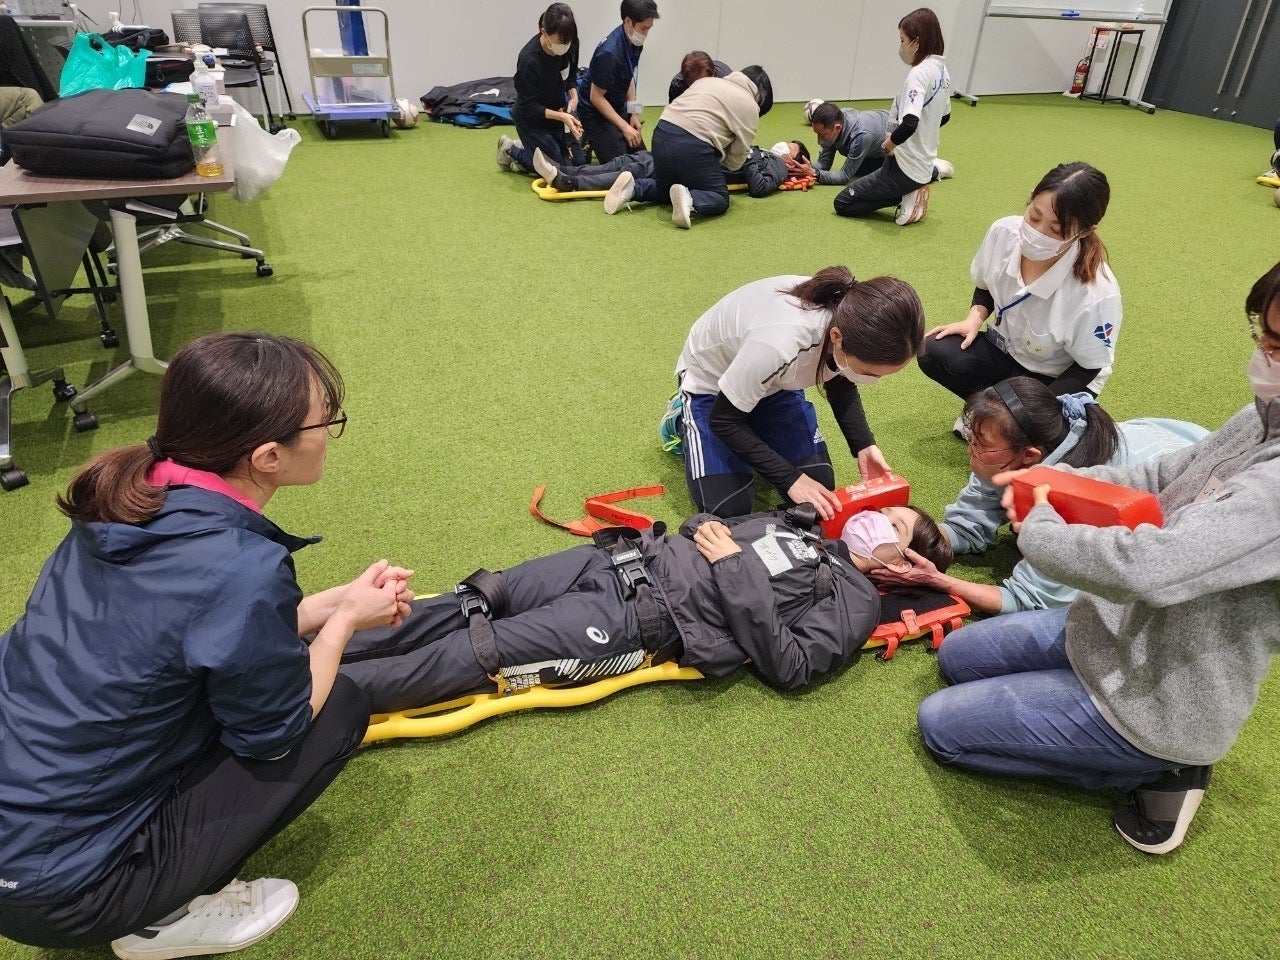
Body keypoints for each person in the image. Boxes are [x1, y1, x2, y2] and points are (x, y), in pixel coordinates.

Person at [0, 333, 415, 957]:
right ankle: (157, 922)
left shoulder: (119, 495)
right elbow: (275, 731)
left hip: (22, 831)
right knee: (339, 708)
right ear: (268, 456)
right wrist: (343, 624)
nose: (330, 432)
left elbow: (179, 637)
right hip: (65, 897)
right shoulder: (240, 567)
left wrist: (326, 606)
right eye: (325, 420)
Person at [916, 259, 1280, 855]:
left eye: (1279, 345)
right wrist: (1055, 483)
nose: (1264, 353)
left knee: (941, 727)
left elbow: (1150, 568)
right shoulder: (1262, 415)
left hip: (1163, 700)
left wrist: (1039, 524)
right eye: (1263, 334)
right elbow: (1161, 475)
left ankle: (1164, 770)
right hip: (1111, 627)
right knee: (958, 656)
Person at [338, 503, 953, 712]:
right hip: (618, 558)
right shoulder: (804, 528)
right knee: (476, 599)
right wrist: (708, 528)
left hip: (641, 619)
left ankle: (314, 697)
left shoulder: (854, 600)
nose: (875, 520)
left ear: (905, 565)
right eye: (884, 512)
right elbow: (705, 524)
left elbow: (790, 666)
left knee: (482, 648)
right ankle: (313, 650)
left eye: (892, 525)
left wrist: (731, 565)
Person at [872, 376, 1206, 614]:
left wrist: (938, 581)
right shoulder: (1008, 452)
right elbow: (966, 527)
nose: (970, 449)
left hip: (1194, 481)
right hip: (1168, 435)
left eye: (980, 444)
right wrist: (911, 536)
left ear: (1030, 456)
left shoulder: (1081, 505)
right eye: (971, 437)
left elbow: (1027, 600)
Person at [672, 267, 925, 518]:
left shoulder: (851, 319)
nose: (873, 380)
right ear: (837, 337)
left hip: (775, 384)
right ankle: (681, 418)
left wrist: (864, 444)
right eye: (869, 373)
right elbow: (724, 421)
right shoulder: (778, 344)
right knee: (729, 508)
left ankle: (753, 416)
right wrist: (790, 478)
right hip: (713, 389)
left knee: (818, 488)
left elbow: (839, 376)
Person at [919, 162, 1120, 436]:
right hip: (1007, 350)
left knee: (1030, 432)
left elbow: (1089, 367)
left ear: (1084, 231)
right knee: (933, 350)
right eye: (1034, 217)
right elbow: (986, 285)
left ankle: (1011, 419)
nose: (1038, 233)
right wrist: (973, 319)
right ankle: (987, 411)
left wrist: (1035, 410)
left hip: (1056, 377)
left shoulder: (1096, 293)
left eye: (1056, 230)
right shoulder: (1003, 232)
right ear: (1031, 196)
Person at [601, 65, 773, 228]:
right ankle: (690, 198)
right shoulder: (750, 106)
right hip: (694, 146)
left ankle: (633, 188)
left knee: (666, 190)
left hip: (661, 134)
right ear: (761, 96)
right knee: (719, 198)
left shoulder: (709, 81)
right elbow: (735, 161)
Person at [832, 8, 951, 224]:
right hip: (921, 162)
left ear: (917, 41)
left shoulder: (919, 74)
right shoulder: (942, 71)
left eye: (902, 40)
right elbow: (944, 117)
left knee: (842, 203)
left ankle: (907, 193)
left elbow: (910, 123)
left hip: (903, 166)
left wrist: (889, 145)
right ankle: (918, 183)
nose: (901, 46)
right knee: (867, 171)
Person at [534, 138, 806, 197]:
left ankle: (569, 182)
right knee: (625, 161)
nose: (784, 145)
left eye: (791, 147)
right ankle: (566, 171)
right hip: (691, 153)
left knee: (633, 171)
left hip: (695, 168)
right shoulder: (764, 151)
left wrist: (750, 156)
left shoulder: (778, 167)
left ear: (794, 161)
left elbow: (759, 188)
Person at [498, 3, 582, 175]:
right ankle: (510, 149)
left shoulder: (571, 43)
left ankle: (533, 150)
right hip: (531, 118)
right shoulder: (529, 60)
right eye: (560, 42)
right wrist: (562, 116)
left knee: (578, 162)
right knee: (556, 168)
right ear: (544, 32)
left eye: (568, 42)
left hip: (559, 111)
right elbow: (529, 107)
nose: (565, 46)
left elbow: (571, 77)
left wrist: (573, 97)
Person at [576, 0, 659, 163]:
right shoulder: (609, 53)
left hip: (616, 103)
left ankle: (604, 136)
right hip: (594, 111)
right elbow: (595, 97)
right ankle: (590, 136)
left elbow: (628, 76)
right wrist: (624, 126)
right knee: (621, 165)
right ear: (628, 21)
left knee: (644, 160)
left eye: (649, 29)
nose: (646, 34)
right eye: (644, 28)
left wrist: (633, 113)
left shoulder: (634, 41)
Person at [788, 101, 899, 189]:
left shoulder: (860, 136)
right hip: (872, 146)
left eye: (822, 135)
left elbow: (844, 176)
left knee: (878, 177)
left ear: (837, 128)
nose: (819, 140)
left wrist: (814, 173)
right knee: (859, 170)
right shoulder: (835, 120)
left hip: (898, 149)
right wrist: (802, 167)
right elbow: (824, 164)